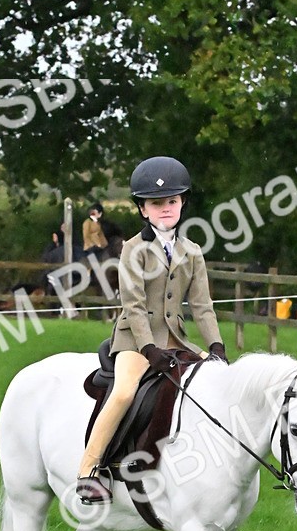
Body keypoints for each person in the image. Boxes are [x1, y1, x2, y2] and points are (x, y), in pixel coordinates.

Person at [76, 156, 227, 503]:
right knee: (125, 392)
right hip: (134, 340)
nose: (165, 209)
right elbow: (134, 305)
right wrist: (148, 349)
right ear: (143, 209)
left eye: (171, 201)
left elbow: (202, 306)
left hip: (176, 339)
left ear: (182, 203)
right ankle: (89, 470)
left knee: (219, 380)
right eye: (156, 203)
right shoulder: (133, 249)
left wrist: (216, 345)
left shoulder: (192, 252)